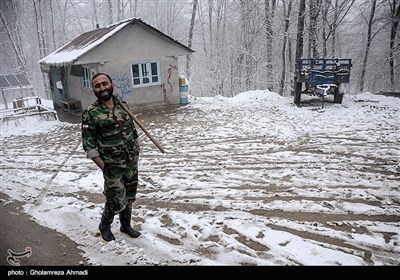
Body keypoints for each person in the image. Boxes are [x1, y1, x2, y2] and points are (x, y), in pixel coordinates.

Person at [81, 73, 141, 242]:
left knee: (129, 196)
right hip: (111, 166)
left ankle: (125, 225)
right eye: (97, 86)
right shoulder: (91, 113)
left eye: (104, 84)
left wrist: (136, 147)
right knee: (115, 199)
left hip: (130, 161)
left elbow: (132, 128)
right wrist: (102, 165)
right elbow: (89, 144)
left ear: (111, 84)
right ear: (94, 89)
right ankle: (104, 225)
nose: (102, 88)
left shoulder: (123, 105)